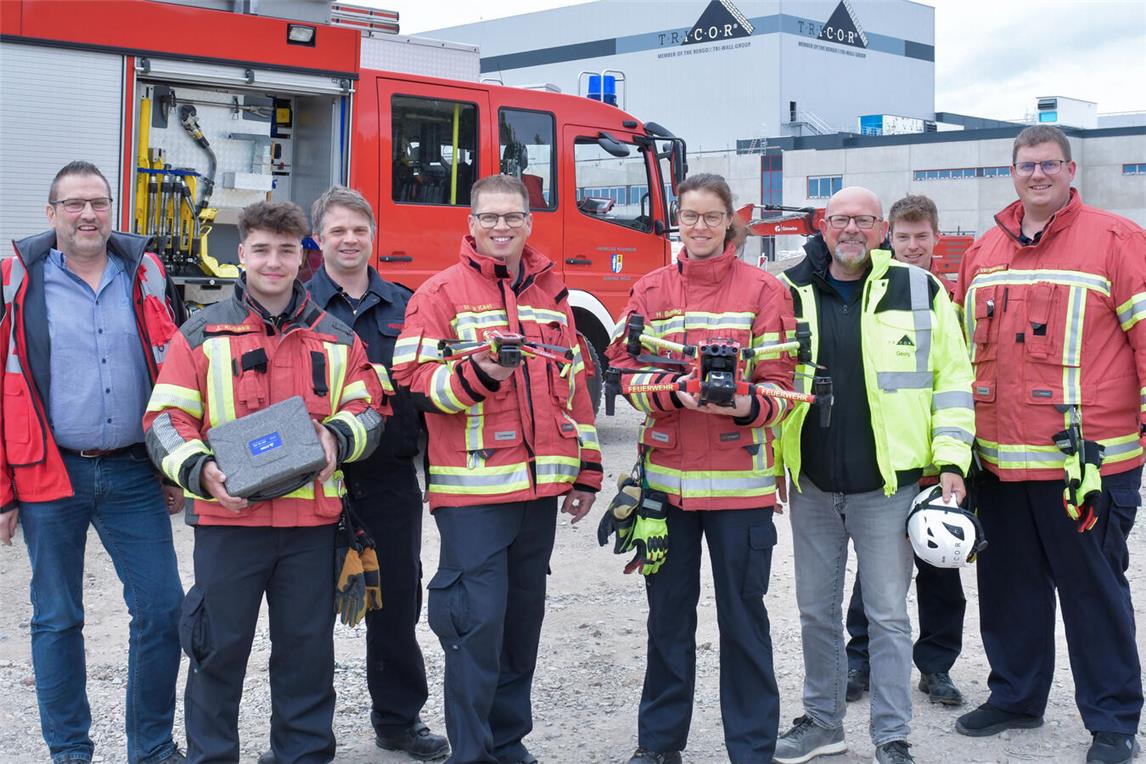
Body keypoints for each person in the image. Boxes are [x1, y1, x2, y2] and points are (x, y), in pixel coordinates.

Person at [142, 200, 387, 764]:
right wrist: (201, 471)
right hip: (229, 525)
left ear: (302, 258)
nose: (273, 261)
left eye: (285, 250)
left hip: (310, 527)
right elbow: (164, 421)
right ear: (241, 255)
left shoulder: (338, 337)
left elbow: (371, 410)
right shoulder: (200, 334)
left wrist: (337, 439)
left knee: (306, 657)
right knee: (215, 652)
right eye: (261, 250)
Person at [391, 174, 602, 764]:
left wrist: (586, 470)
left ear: (529, 223)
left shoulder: (552, 294)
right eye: (490, 217)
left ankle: (509, 744)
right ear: (472, 224)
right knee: (474, 627)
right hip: (474, 496)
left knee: (520, 627)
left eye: (513, 217)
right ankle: (473, 753)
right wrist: (480, 374)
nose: (501, 227)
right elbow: (413, 383)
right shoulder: (439, 293)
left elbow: (574, 388)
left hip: (538, 495)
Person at [952, 125, 1146, 764]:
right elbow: (958, 355)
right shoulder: (983, 250)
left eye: (1049, 164)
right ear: (1012, 172)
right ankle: (1015, 697)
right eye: (1026, 165)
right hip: (1000, 462)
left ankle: (1113, 721)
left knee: (1094, 592)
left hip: (1085, 466)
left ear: (1070, 170)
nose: (1037, 175)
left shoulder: (1117, 241)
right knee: (1008, 588)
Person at [772, 186, 974, 764]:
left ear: (881, 229)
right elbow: (768, 378)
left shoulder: (919, 288)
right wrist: (773, 465)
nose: (852, 230)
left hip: (890, 488)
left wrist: (952, 459)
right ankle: (822, 722)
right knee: (816, 611)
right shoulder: (787, 290)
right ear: (823, 224)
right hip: (812, 485)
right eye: (841, 219)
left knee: (887, 616)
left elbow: (952, 379)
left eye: (864, 220)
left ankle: (891, 735)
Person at [604, 173, 797, 764]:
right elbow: (622, 372)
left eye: (712, 216)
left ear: (730, 221)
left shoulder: (765, 291)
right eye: (690, 216)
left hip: (741, 493)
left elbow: (784, 387)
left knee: (744, 624)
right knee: (667, 623)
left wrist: (743, 404)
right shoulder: (650, 290)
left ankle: (752, 749)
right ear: (677, 221)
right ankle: (659, 746)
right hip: (667, 491)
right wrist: (673, 393)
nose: (700, 226)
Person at [0, 161, 187, 764]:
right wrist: (3, 491)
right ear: (50, 212)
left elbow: (172, 372)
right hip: (50, 471)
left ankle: (151, 748)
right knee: (57, 617)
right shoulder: (15, 281)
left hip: (133, 470)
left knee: (162, 609)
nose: (88, 215)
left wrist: (172, 464)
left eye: (99, 203)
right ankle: (69, 751)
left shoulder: (146, 273)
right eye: (74, 204)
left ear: (112, 210)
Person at [305, 186, 449, 760]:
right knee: (306, 612)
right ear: (318, 239)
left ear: (373, 236)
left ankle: (398, 720)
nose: (349, 240)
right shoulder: (298, 305)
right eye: (337, 231)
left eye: (359, 230)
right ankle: (306, 732)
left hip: (389, 480)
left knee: (395, 606)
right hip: (315, 483)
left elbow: (429, 398)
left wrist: (437, 478)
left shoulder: (406, 306)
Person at [844, 194, 968, 708]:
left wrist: (954, 458)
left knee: (941, 569)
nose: (913, 246)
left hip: (938, 465)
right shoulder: (869, 295)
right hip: (889, 465)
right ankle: (860, 659)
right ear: (888, 237)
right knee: (875, 574)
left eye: (922, 236)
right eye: (903, 236)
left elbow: (954, 381)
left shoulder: (947, 297)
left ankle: (935, 667)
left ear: (937, 237)